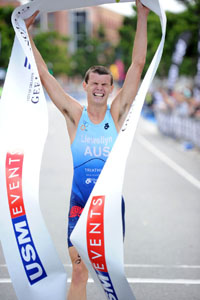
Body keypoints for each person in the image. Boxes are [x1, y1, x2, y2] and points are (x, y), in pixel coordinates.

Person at [26, 1, 149, 299]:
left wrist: (142, 16)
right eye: (94, 83)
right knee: (79, 270)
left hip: (108, 205)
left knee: (109, 274)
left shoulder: (116, 113)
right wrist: (27, 33)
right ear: (85, 85)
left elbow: (137, 66)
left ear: (110, 88)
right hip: (80, 203)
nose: (99, 88)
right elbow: (44, 75)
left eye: (105, 84)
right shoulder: (74, 115)